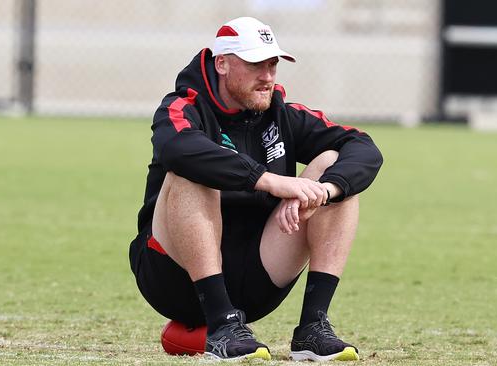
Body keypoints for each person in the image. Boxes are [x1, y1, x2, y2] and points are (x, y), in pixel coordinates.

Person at [129, 16, 383, 361]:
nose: (267, 76)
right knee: (189, 171)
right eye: (254, 65)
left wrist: (326, 191)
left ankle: (313, 327)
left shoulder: (283, 114)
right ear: (222, 63)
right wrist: (267, 179)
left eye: (272, 64)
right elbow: (178, 148)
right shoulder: (182, 107)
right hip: (173, 278)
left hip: (255, 282)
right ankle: (221, 324)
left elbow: (363, 146)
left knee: (332, 165)